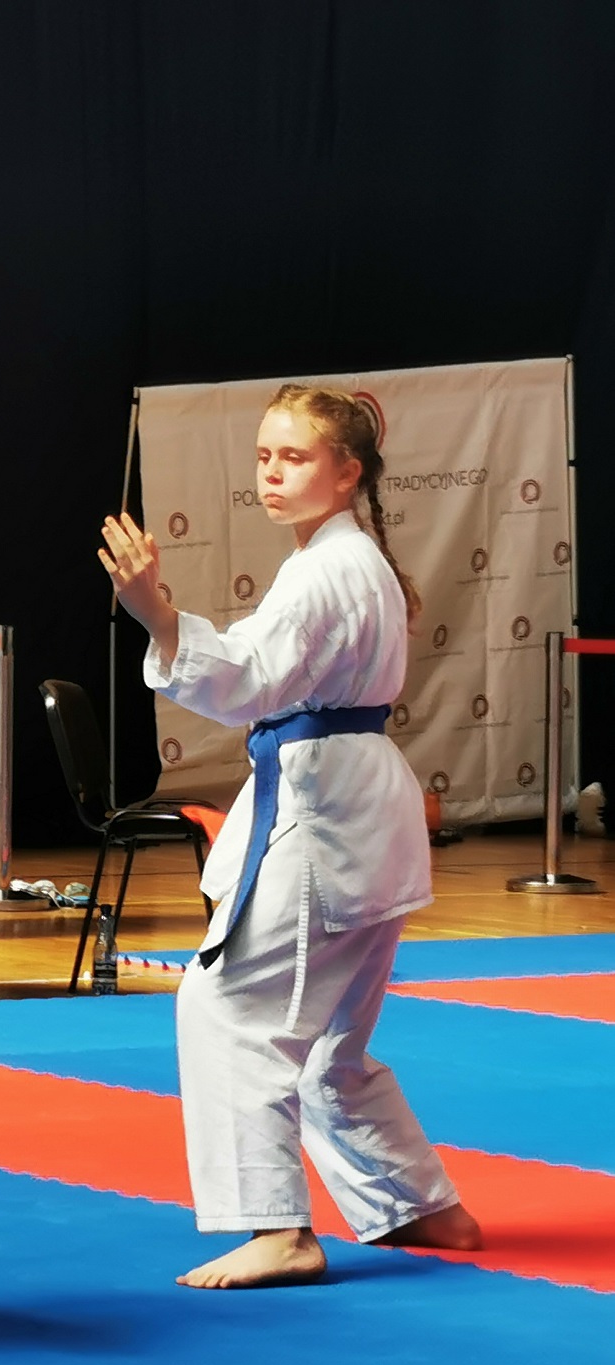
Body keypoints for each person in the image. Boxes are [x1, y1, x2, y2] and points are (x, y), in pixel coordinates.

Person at [99, 384, 482, 1290]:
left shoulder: (328, 569)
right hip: (352, 807)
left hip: (328, 819)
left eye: (295, 457)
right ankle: (421, 1205)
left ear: (347, 473)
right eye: (265, 456)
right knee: (331, 1046)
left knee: (228, 1007)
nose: (272, 473)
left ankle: (278, 1229)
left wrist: (159, 615)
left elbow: (251, 680)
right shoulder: (342, 559)